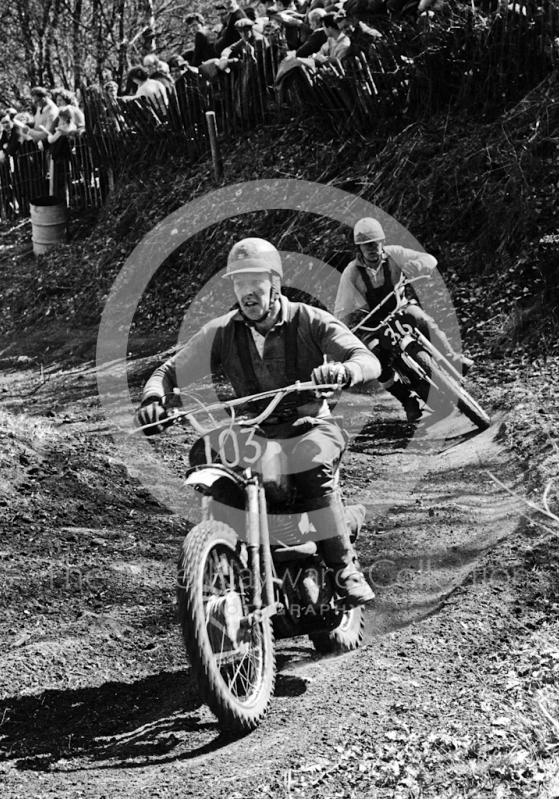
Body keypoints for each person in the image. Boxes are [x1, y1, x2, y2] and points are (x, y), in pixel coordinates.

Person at [136, 237, 380, 606]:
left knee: (311, 461)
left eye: (255, 284)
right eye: (238, 284)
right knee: (207, 455)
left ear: (275, 284)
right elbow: (169, 371)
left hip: (310, 424)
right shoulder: (222, 331)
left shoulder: (308, 320)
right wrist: (154, 399)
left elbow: (366, 358)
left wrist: (344, 370)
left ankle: (344, 568)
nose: (247, 293)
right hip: (257, 429)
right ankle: (221, 563)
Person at [334, 218, 473, 423]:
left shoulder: (394, 254)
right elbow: (341, 309)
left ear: (382, 242)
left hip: (401, 308)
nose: (372, 249)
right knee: (376, 360)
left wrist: (415, 265)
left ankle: (452, 358)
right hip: (373, 324)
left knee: (421, 320)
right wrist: (345, 326)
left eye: (375, 243)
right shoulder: (351, 272)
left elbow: (430, 259)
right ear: (359, 248)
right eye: (366, 245)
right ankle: (407, 400)